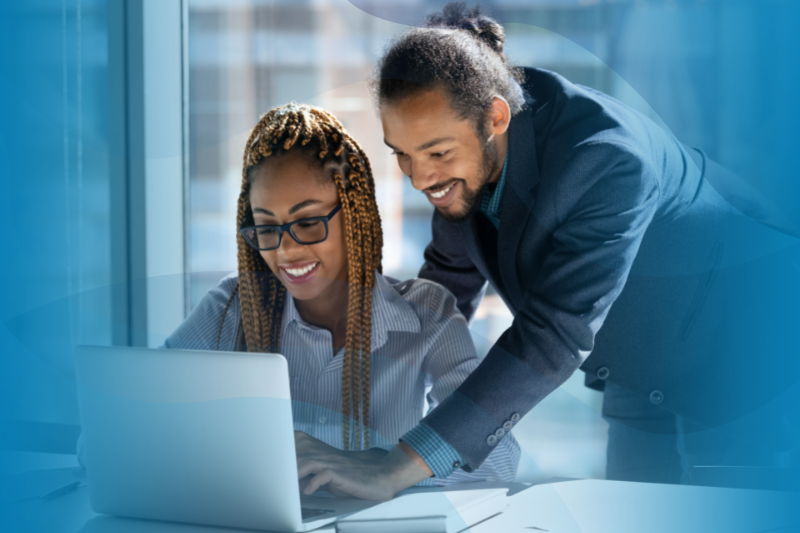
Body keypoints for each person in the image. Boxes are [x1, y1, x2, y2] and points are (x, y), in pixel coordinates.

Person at [298, 3, 800, 498]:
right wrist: (363, 428)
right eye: (402, 154)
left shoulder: (604, 159)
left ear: (494, 116)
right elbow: (444, 288)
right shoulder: (465, 157)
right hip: (643, 360)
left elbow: (552, 333)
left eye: (436, 152)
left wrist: (398, 467)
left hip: (746, 351)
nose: (420, 177)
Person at [161, 102, 519, 488]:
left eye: (309, 222)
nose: (286, 251)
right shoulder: (231, 305)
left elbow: (498, 459)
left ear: (352, 215)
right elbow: (138, 416)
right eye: (266, 228)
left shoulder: (426, 313)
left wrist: (384, 470)